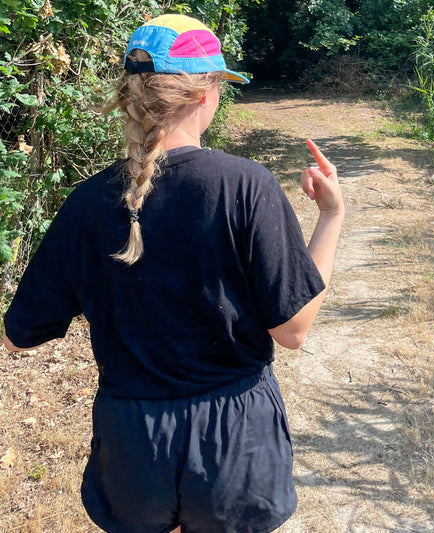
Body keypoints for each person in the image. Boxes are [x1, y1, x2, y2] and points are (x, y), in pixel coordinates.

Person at [2, 13, 344, 533]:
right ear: (205, 94)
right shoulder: (246, 187)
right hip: (234, 442)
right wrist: (332, 217)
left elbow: (18, 338)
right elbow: (293, 330)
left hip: (131, 444)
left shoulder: (87, 203)